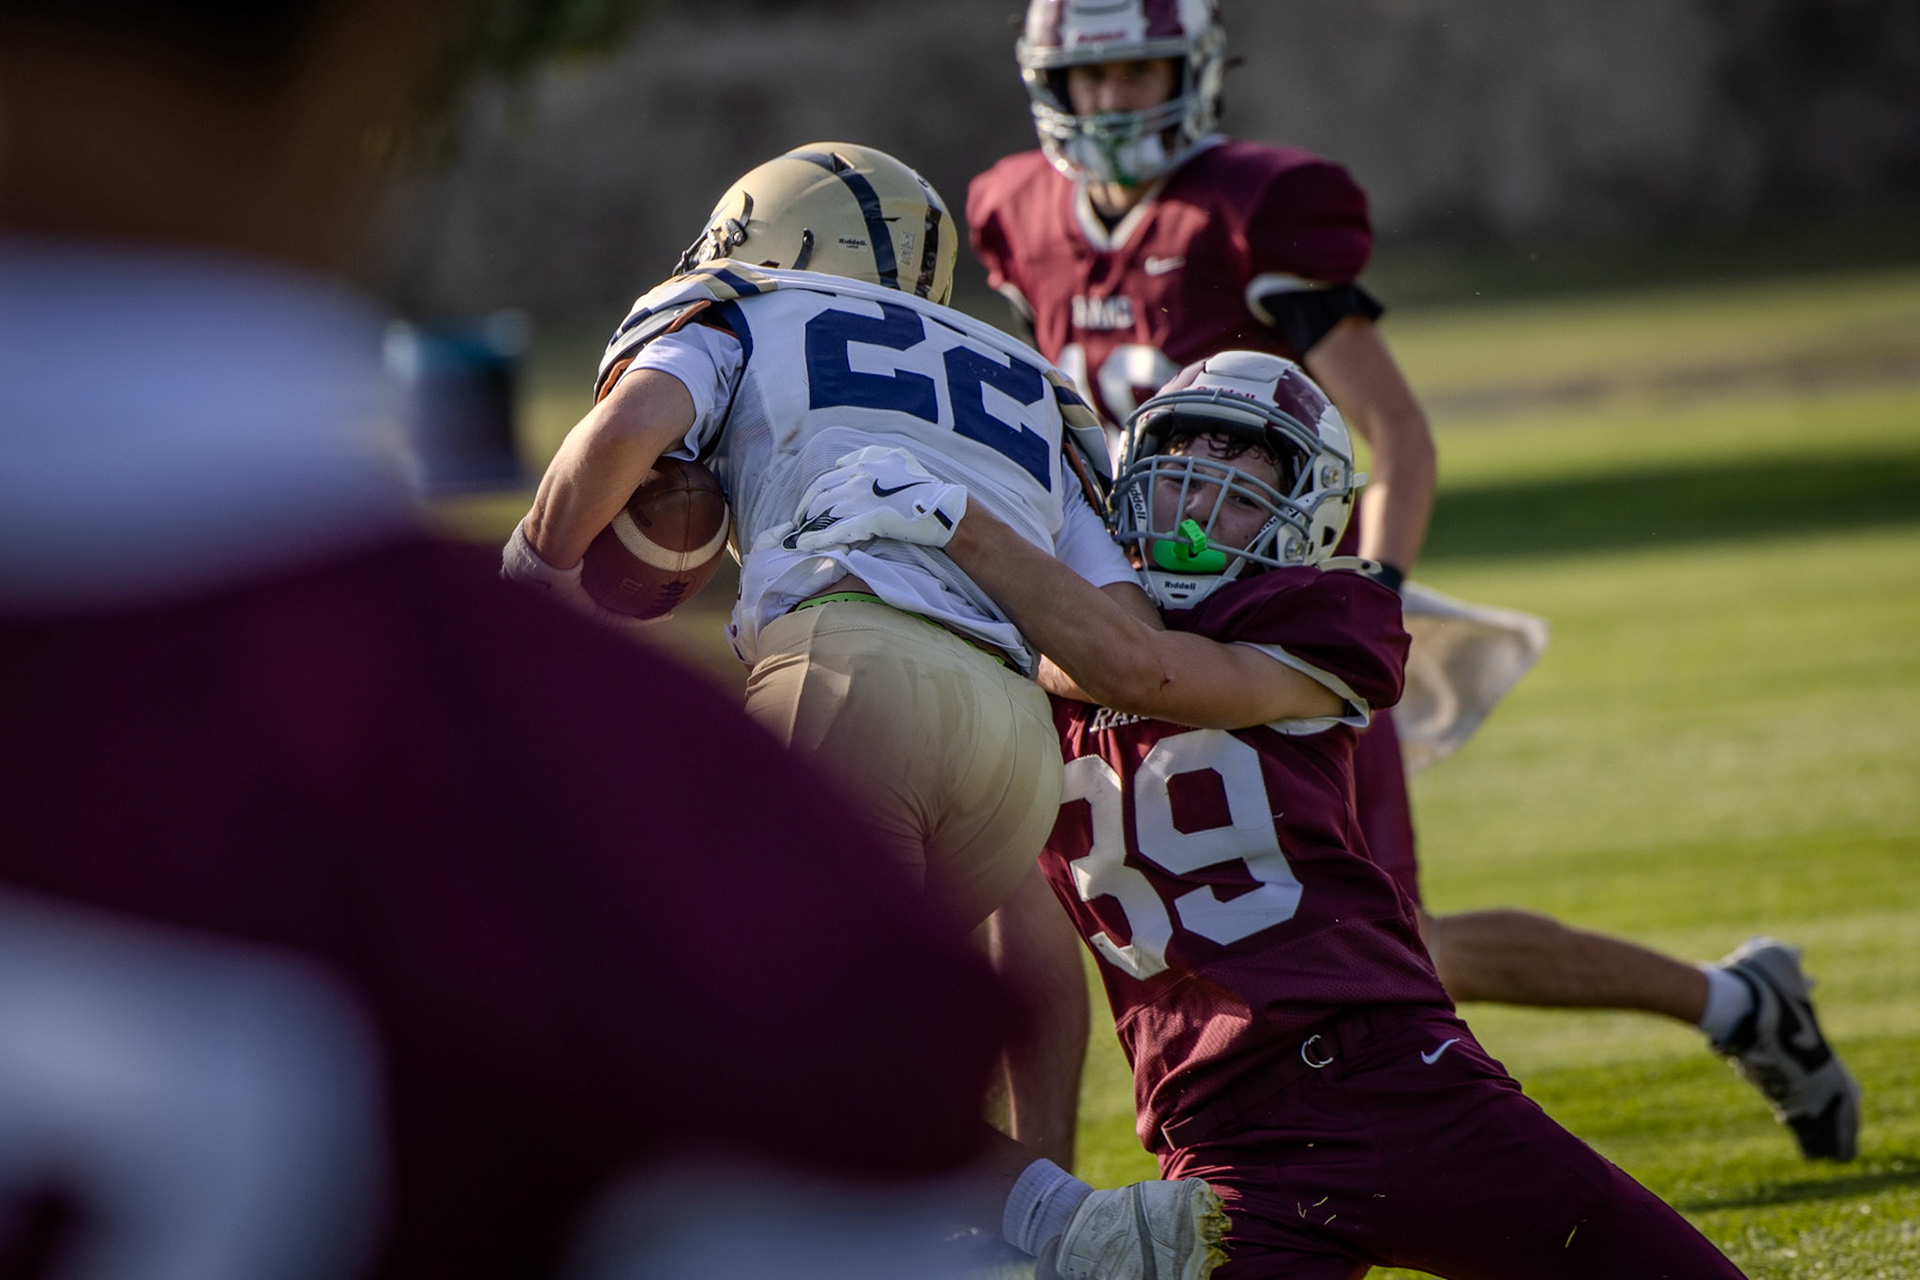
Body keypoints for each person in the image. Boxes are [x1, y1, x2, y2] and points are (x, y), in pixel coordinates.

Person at [0, 6, 1040, 1278]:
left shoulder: (715, 330)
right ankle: (1062, 1206)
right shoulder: (610, 814)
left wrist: (535, 572)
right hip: (1009, 719)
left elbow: (606, 460)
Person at [966, 0, 1859, 1162]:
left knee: (1387, 939)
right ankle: (1040, 1201)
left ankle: (1728, 1005)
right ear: (1048, 83)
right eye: (1091, 79)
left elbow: (1397, 431)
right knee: (1050, 901)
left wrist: (1347, 609)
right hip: (1117, 628)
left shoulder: (1253, 207)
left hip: (1247, 631)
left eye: (1138, 72)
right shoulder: (1016, 209)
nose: (1114, 102)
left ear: (1193, 70)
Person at [787, 351, 1750, 1278]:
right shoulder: (1041, 659)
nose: (1199, 510)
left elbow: (1146, 670)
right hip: (1218, 1149)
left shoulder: (1320, 614)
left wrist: (963, 533)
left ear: (1301, 525)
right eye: (1179, 478)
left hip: (1398, 1087)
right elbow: (1029, 938)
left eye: (1241, 493)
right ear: (1129, 486)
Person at [503, 141, 1227, 1280]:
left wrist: (533, 576)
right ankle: (1000, 1232)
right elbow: (1119, 640)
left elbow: (628, 425)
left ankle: (1067, 1223)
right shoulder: (1030, 376)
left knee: (712, 1013)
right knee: (839, 1056)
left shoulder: (745, 303)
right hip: (1011, 749)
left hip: (848, 669)